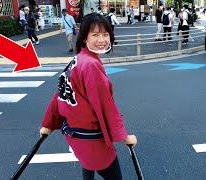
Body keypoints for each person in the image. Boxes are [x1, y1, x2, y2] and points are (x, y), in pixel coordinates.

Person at [40, 13, 137, 180]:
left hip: (74, 134)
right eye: (95, 34)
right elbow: (105, 105)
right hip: (91, 138)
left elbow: (60, 92)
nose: (102, 39)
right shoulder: (91, 65)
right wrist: (124, 135)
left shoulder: (78, 59)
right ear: (85, 38)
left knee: (87, 162)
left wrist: (48, 124)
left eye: (105, 34)